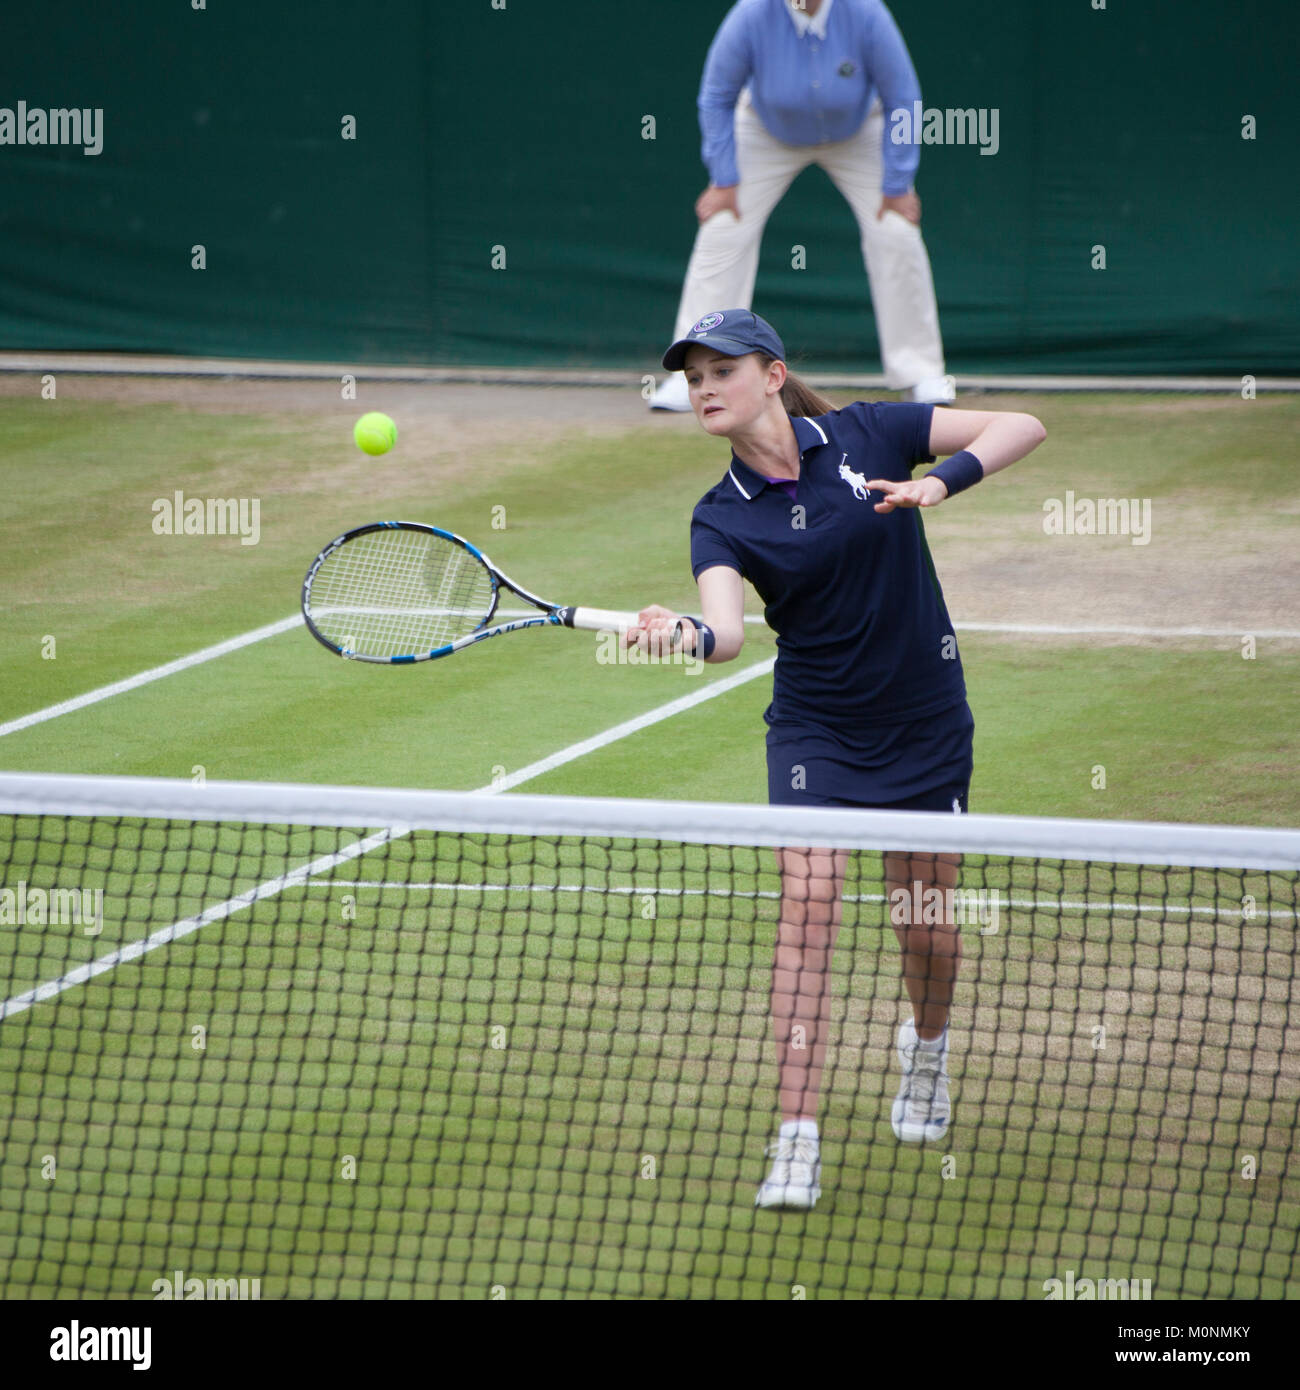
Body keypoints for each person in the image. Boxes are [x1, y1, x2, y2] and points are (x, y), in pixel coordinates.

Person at [629, 308, 1046, 1209]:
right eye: (692, 376)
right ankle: (796, 1137)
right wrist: (678, 635)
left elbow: (1024, 425)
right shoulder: (719, 518)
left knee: (926, 925)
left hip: (925, 718)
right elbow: (728, 635)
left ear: (772, 375)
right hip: (817, 731)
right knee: (809, 906)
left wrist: (943, 485)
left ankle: (925, 1053)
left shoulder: (870, 430)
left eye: (720, 371)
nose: (703, 388)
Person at [650, 0, 954, 414]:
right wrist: (724, 179)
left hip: (858, 129)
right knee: (722, 227)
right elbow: (716, 96)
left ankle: (921, 373)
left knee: (897, 232)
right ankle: (691, 369)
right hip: (766, 129)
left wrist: (898, 182)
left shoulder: (866, 13)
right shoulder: (751, 15)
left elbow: (902, 96)